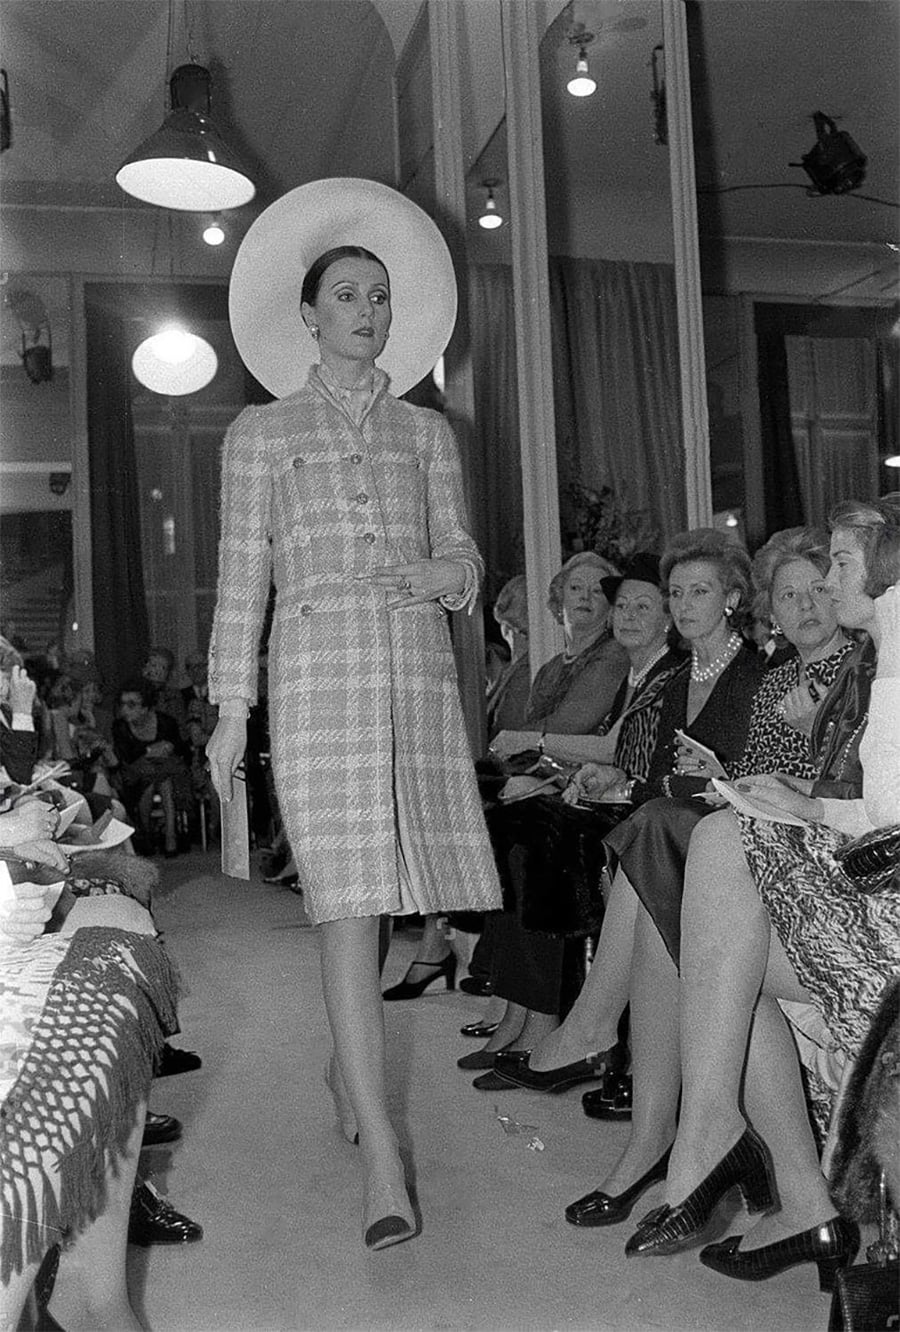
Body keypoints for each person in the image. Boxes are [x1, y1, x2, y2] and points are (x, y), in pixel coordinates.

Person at [205, 178, 501, 1251]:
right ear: (308, 314)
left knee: (383, 900)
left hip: (414, 678)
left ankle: (351, 1061)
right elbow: (245, 580)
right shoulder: (259, 433)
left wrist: (447, 574)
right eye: (347, 293)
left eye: (379, 294)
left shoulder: (429, 432)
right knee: (343, 900)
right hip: (318, 674)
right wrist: (230, 707)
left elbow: (468, 557)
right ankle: (382, 1146)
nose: (367, 310)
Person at [624, 500, 900, 1285]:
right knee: (709, 861)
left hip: (888, 909)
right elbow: (883, 808)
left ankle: (713, 1141)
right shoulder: (885, 660)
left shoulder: (888, 665)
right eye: (795, 587)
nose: (823, 585)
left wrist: (812, 800)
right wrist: (809, 804)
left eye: (839, 565)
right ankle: (748, 1161)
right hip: (876, 881)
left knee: (708, 870)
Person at [112, 679, 190, 857]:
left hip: (166, 772)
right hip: (134, 776)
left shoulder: (166, 722)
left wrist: (169, 746)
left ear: (146, 707)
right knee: (151, 780)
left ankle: (158, 835)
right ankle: (163, 836)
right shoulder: (120, 726)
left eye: (131, 704)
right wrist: (149, 750)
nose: (125, 709)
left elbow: (182, 748)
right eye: (122, 704)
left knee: (163, 778)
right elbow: (125, 756)